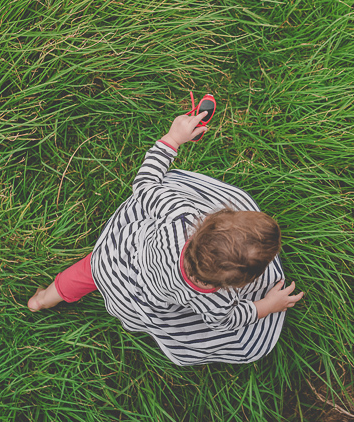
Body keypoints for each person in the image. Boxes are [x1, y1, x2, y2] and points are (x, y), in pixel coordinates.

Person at [27, 111, 303, 365]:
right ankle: (44, 300)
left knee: (85, 272)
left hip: (114, 258)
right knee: (92, 274)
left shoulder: (179, 216)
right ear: (241, 282)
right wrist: (267, 306)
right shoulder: (217, 299)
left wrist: (172, 139)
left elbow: (145, 184)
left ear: (209, 220)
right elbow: (228, 321)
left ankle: (43, 300)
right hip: (138, 301)